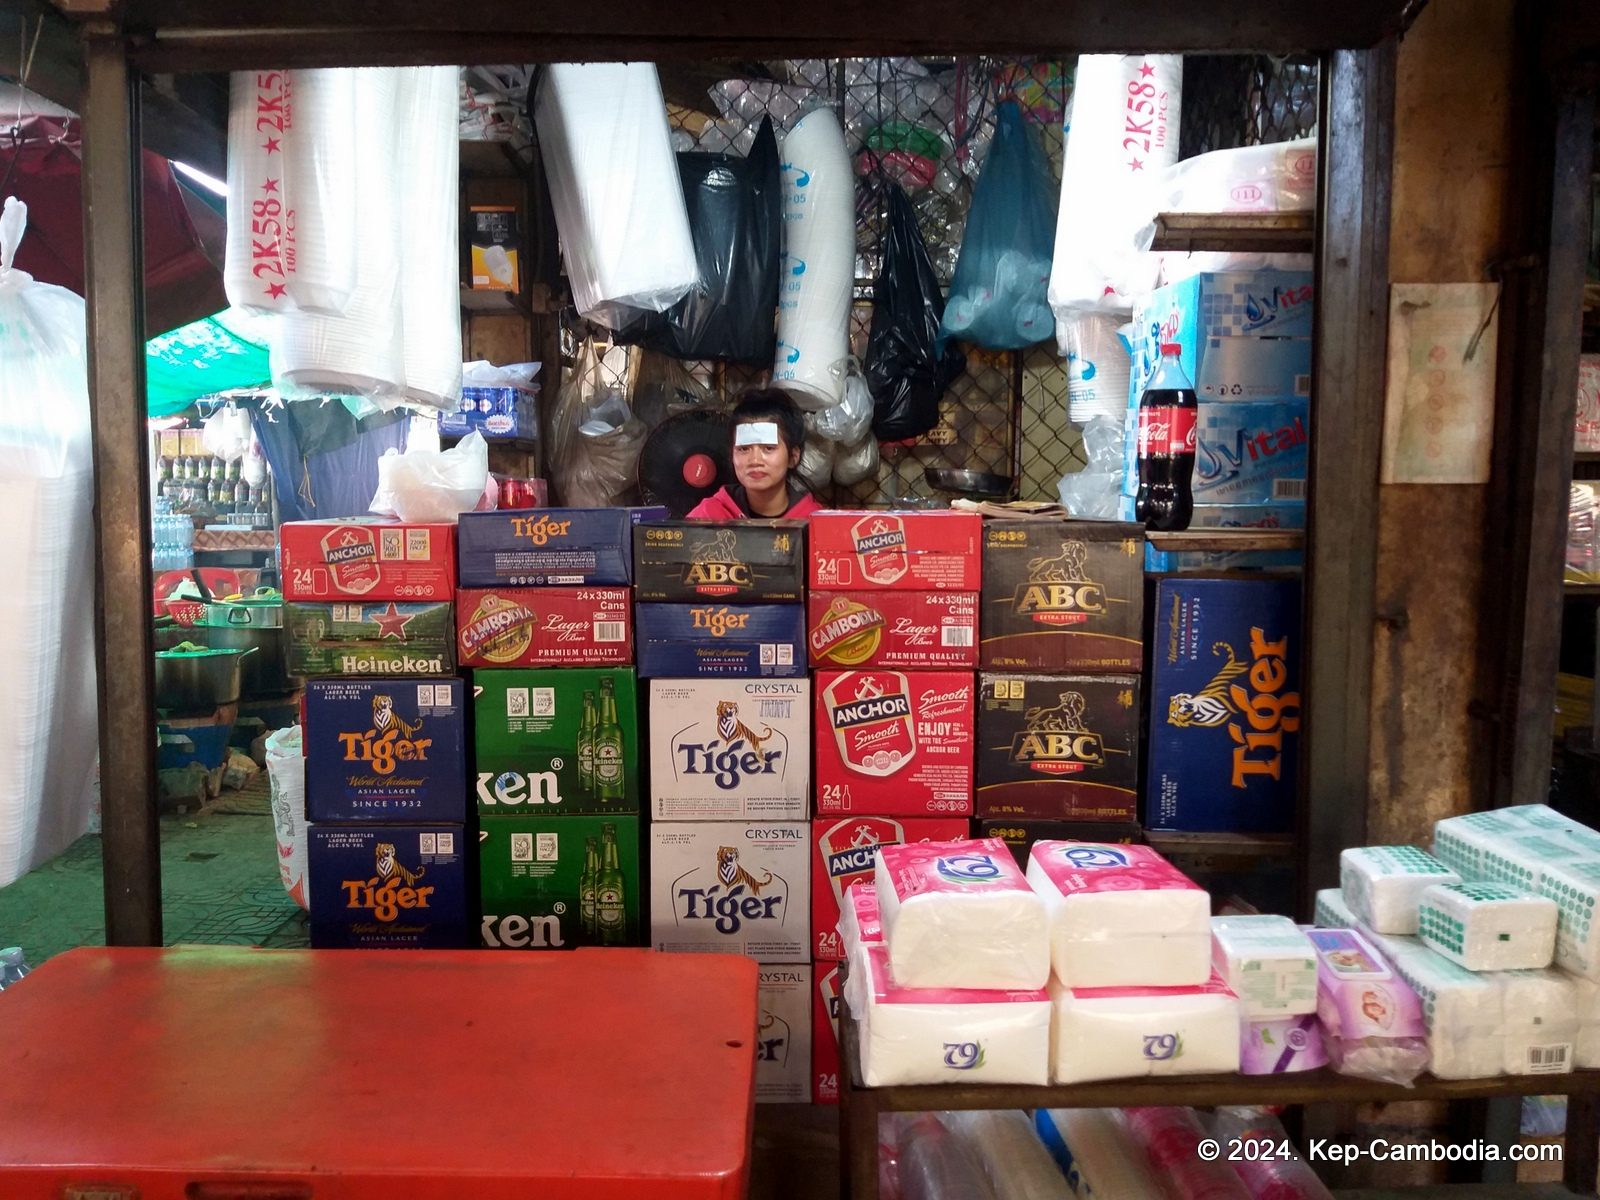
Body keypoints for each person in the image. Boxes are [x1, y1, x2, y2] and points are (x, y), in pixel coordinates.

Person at [687, 389, 822, 520]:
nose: (755, 460)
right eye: (744, 449)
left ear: (793, 457)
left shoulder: (814, 523)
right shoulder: (707, 518)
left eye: (768, 448)